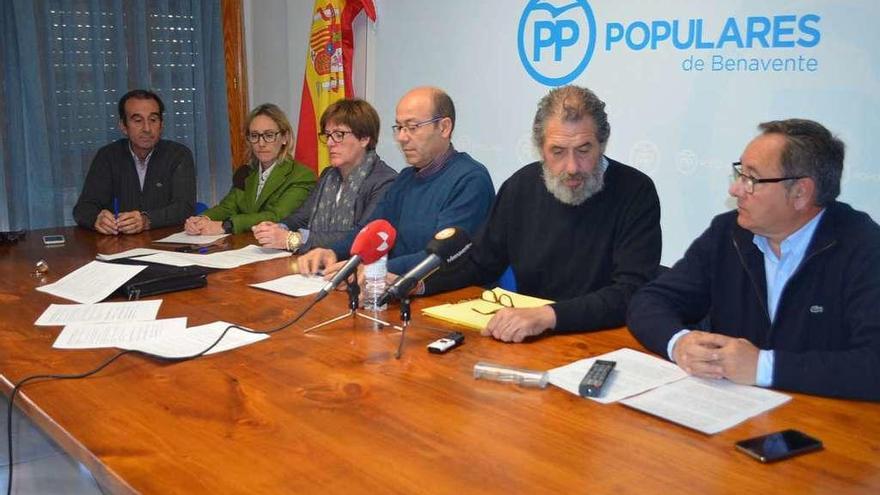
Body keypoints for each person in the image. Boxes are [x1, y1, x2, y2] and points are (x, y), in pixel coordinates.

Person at [627, 119, 880, 401]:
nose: (735, 190)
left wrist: (762, 367)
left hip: (829, 422)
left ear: (800, 193)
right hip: (730, 411)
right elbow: (650, 301)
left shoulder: (865, 249)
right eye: (739, 173)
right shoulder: (729, 233)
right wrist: (679, 343)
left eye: (752, 179)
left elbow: (872, 365)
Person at [423, 85, 661, 343]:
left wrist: (548, 316)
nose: (572, 167)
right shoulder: (521, 186)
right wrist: (420, 283)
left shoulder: (635, 191)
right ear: (540, 147)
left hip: (604, 339)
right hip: (531, 338)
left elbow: (631, 292)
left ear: (602, 144)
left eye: (584, 150)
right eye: (557, 151)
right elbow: (480, 263)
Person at [297, 86, 495, 277]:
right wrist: (332, 252)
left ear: (444, 127)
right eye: (399, 127)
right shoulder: (406, 178)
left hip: (447, 299)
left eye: (412, 127)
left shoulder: (470, 179)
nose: (401, 137)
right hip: (394, 289)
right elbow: (367, 230)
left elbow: (442, 257)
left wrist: (375, 271)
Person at [252, 99, 396, 252]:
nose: (329, 143)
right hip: (314, 264)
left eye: (339, 135)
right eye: (327, 135)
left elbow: (361, 236)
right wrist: (277, 228)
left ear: (364, 139)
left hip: (353, 269)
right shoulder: (329, 175)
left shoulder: (385, 181)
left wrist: (293, 239)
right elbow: (302, 216)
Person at [73, 89, 195, 234]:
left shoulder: (178, 154)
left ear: (161, 125)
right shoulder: (108, 156)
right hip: (120, 245)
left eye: (153, 120)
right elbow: (83, 208)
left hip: (166, 243)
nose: (147, 128)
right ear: (123, 126)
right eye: (138, 120)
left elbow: (184, 208)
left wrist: (146, 220)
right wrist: (96, 219)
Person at [184, 103, 315, 235]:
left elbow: (276, 216)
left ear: (285, 138)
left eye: (269, 135)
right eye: (254, 135)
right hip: (243, 246)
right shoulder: (246, 172)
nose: (261, 143)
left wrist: (227, 225)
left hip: (277, 247)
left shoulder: (301, 175)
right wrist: (201, 219)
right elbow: (228, 207)